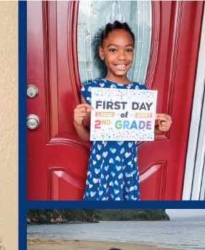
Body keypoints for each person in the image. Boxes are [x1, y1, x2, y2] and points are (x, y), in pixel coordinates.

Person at [71, 21, 173, 201]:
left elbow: (138, 131)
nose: (122, 57)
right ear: (102, 53)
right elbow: (88, 136)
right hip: (101, 168)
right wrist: (77, 122)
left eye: (128, 50)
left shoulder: (140, 92)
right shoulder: (92, 90)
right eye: (113, 50)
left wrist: (159, 128)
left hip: (127, 167)